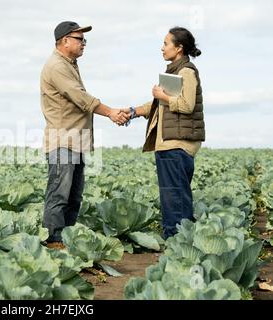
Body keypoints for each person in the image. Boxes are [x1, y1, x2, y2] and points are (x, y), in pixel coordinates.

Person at [41, 21, 128, 249]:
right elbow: (80, 97)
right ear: (65, 41)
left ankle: (66, 239)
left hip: (75, 142)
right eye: (80, 39)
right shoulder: (57, 66)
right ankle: (54, 240)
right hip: (63, 142)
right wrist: (110, 112)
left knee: (74, 196)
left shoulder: (70, 64)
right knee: (59, 193)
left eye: (84, 40)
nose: (83, 44)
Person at [123, 26, 205, 239]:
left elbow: (186, 105)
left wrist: (163, 95)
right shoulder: (175, 71)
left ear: (179, 48)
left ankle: (175, 242)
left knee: (174, 197)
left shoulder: (186, 71)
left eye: (166, 43)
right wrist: (133, 112)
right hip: (170, 143)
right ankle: (182, 242)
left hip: (176, 144)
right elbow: (157, 104)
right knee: (178, 196)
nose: (162, 48)